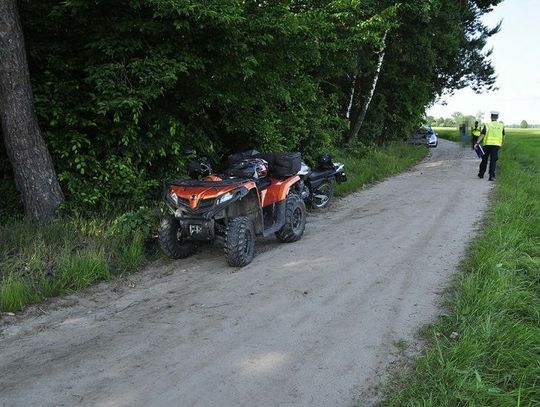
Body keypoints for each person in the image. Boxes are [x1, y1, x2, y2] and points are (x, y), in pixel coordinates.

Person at [475, 111, 505, 181]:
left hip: (487, 145)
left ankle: (481, 174)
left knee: (484, 159)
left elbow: (482, 134)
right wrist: (501, 144)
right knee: (493, 160)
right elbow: (504, 136)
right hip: (496, 145)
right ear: (497, 117)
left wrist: (477, 143)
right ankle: (491, 176)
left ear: (491, 117)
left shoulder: (487, 124)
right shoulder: (501, 125)